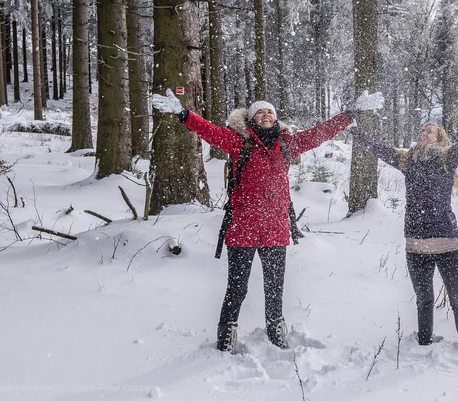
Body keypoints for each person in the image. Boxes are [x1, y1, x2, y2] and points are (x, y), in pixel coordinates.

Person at [151, 90, 355, 352]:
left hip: (275, 229)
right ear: (250, 119)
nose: (266, 114)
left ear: (276, 118)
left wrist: (349, 116)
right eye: (260, 111)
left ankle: (276, 332)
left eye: (269, 111)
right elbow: (209, 131)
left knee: (275, 288)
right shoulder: (239, 142)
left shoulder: (287, 144)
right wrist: (183, 114)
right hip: (243, 228)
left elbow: (319, 133)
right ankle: (226, 335)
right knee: (237, 288)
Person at [347, 92, 458, 352]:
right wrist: (354, 131)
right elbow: (378, 149)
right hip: (415, 244)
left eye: (430, 131)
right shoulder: (407, 160)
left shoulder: (447, 159)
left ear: (439, 139)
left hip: (447, 242)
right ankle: (423, 344)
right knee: (424, 300)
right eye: (422, 130)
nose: (423, 133)